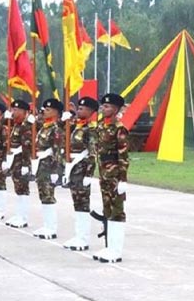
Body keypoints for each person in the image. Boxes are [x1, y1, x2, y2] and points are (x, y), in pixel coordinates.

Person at [93, 93, 128, 263]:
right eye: (103, 106)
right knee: (107, 209)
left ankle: (116, 250)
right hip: (104, 173)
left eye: (107, 106)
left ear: (115, 109)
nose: (103, 109)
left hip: (114, 173)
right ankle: (109, 246)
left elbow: (123, 155)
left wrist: (123, 179)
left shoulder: (119, 128)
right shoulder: (101, 126)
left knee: (117, 210)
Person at [62, 97, 98, 251]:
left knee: (83, 203)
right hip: (73, 169)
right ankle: (78, 235)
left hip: (82, 169)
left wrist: (89, 174)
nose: (79, 110)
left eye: (83, 108)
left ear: (91, 112)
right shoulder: (76, 127)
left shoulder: (90, 130)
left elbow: (92, 153)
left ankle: (83, 239)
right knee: (76, 202)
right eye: (79, 107)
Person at [30, 98, 65, 240]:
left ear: (56, 112)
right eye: (44, 109)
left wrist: (56, 171)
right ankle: (46, 225)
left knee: (48, 195)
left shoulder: (56, 129)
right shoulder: (45, 127)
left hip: (49, 165)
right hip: (41, 164)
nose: (44, 111)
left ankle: (51, 227)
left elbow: (57, 150)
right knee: (43, 194)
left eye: (48, 109)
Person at [3, 99, 33, 229]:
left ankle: (23, 217)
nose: (13, 112)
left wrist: (26, 164)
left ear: (24, 111)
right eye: (13, 109)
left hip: (21, 159)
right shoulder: (15, 124)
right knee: (18, 188)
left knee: (23, 188)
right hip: (15, 159)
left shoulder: (26, 126)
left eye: (16, 110)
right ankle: (18, 214)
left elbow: (26, 146)